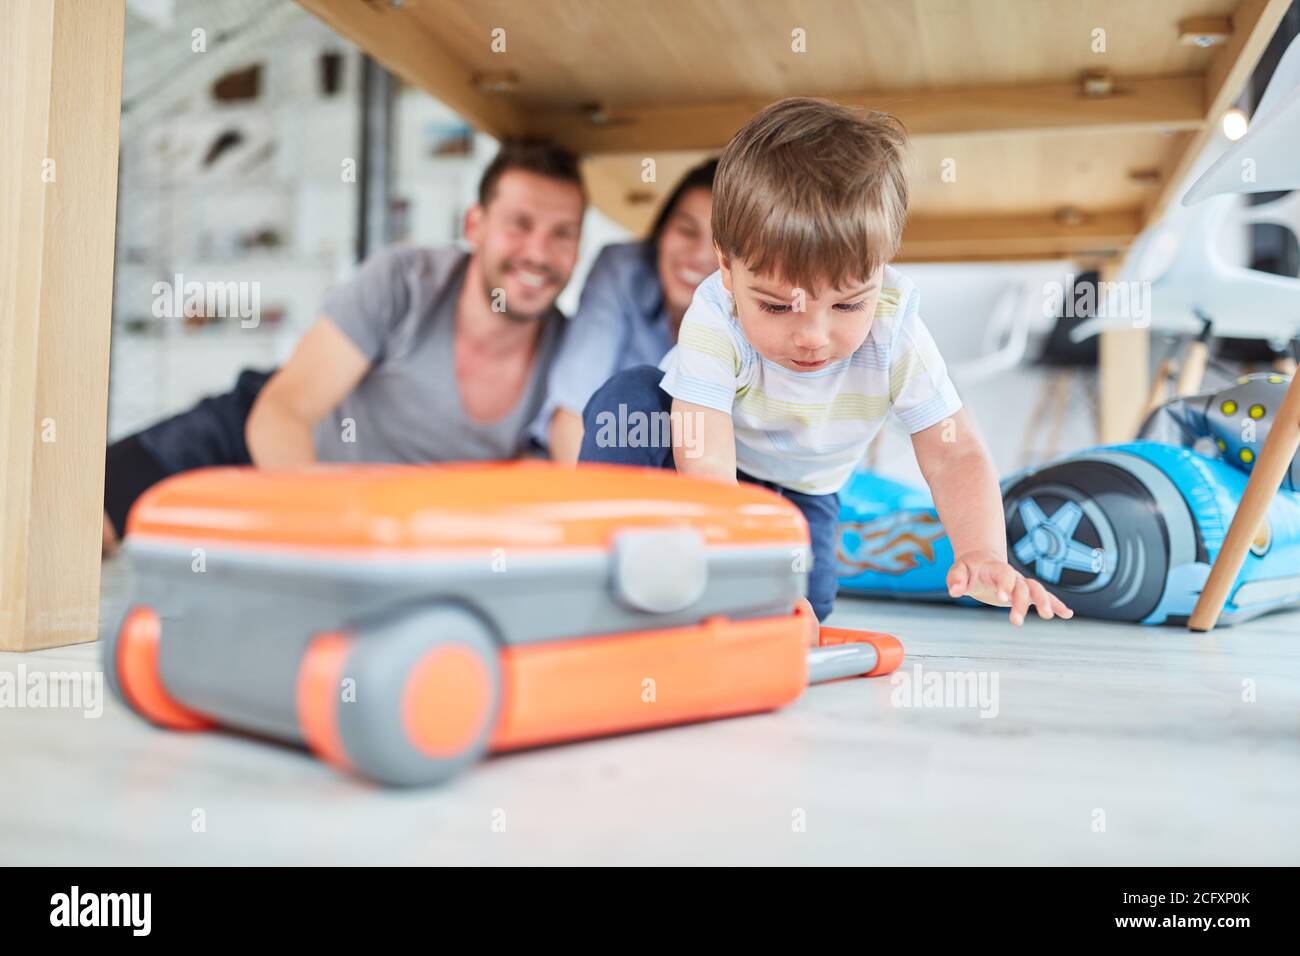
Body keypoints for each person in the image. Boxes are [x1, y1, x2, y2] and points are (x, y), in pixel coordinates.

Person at [579, 97, 1074, 635]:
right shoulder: (714, 316)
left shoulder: (895, 328)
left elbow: (953, 450)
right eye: (774, 306)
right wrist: (737, 572)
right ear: (725, 265)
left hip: (805, 493)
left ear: (880, 274)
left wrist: (982, 552)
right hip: (703, 469)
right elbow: (707, 459)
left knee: (809, 605)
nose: (813, 337)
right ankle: (599, 566)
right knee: (629, 399)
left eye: (846, 305)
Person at [102, 141, 585, 552]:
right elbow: (281, 414)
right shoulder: (404, 282)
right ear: (475, 225)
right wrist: (334, 530)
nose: (539, 253)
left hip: (383, 535)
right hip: (254, 447)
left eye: (562, 234)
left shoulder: (571, 357)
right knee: (82, 525)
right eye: (519, 224)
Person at [540, 159, 718, 462]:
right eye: (686, 230)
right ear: (660, 233)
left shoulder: (757, 313)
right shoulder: (622, 272)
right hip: (603, 480)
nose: (699, 255)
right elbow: (569, 417)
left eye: (720, 243)